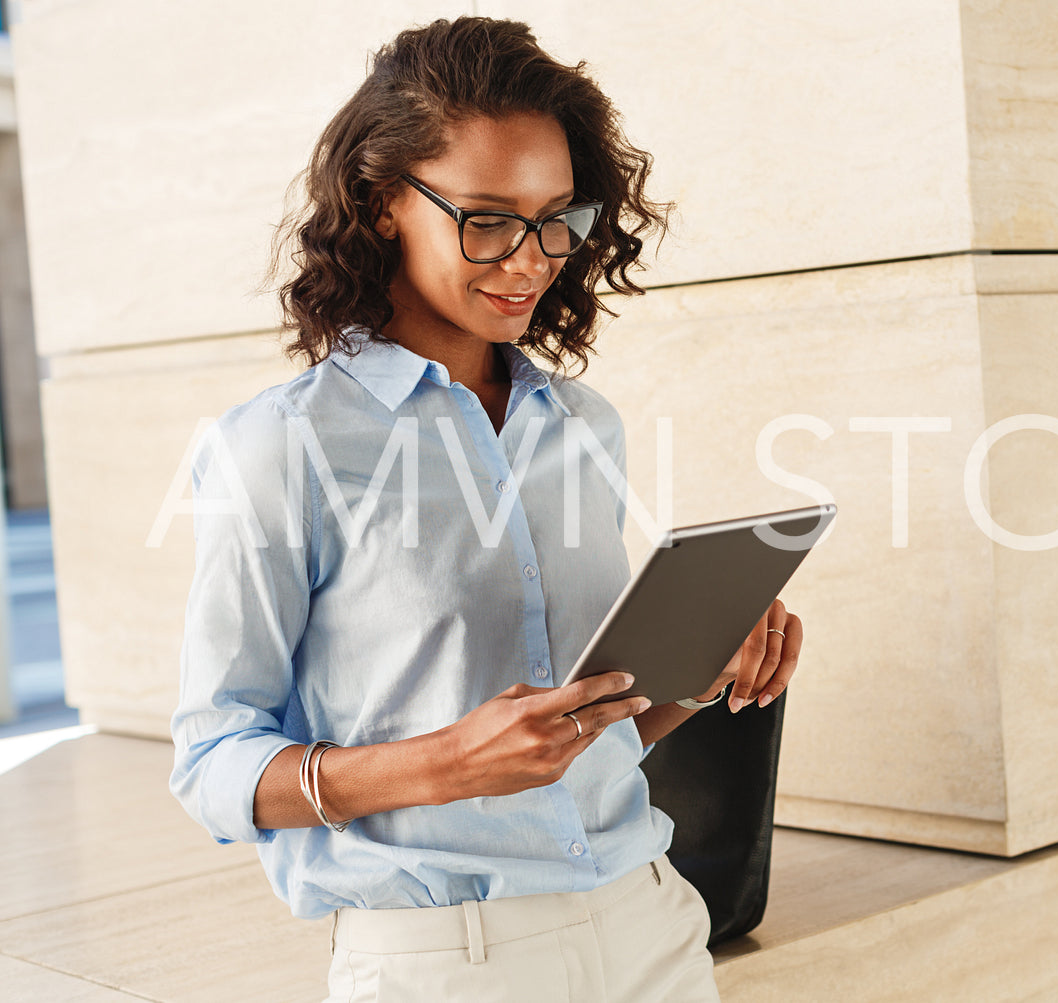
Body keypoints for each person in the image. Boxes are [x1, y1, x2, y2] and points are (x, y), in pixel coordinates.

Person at [168, 17, 803, 1002]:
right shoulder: (282, 446)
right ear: (383, 204)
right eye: (486, 218)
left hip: (651, 928)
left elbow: (592, 741)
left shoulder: (581, 423)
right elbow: (212, 766)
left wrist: (704, 670)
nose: (529, 258)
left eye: (557, 218)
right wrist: (439, 764)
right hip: (444, 961)